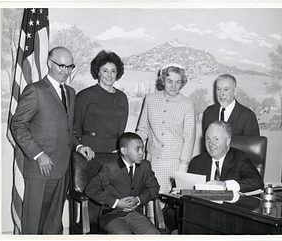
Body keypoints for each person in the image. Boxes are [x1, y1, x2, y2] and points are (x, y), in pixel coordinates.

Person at [10, 46, 92, 234]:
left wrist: (78, 145)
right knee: (34, 222)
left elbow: (67, 129)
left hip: (63, 169)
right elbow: (18, 125)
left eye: (69, 66)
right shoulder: (35, 90)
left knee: (54, 224)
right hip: (41, 169)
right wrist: (39, 155)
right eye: (61, 66)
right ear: (49, 63)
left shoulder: (70, 92)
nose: (65, 71)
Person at [136, 63, 196, 195]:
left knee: (168, 204)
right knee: (150, 201)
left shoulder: (187, 104)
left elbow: (189, 138)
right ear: (162, 80)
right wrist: (128, 145)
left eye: (177, 82)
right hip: (152, 161)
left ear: (182, 83)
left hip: (175, 163)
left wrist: (183, 167)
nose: (173, 86)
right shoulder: (150, 99)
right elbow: (143, 130)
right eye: (169, 81)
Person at [84, 132, 160, 234]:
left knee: (154, 235)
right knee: (124, 236)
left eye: (142, 148)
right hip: (111, 215)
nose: (142, 153)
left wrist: (138, 199)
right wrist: (117, 202)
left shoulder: (145, 166)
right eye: (137, 149)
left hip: (135, 214)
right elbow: (90, 190)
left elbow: (154, 188)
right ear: (124, 151)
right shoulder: (111, 168)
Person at [73, 49, 128, 169]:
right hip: (89, 152)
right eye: (105, 71)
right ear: (98, 72)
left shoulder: (122, 97)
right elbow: (74, 127)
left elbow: (121, 131)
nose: (109, 75)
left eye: (113, 71)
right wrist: (80, 146)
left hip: (114, 153)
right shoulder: (85, 95)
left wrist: (120, 149)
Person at [188, 121, 264, 193]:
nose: (211, 144)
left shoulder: (240, 159)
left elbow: (257, 181)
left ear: (228, 141)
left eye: (216, 139)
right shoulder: (196, 162)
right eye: (208, 139)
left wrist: (225, 185)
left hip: (230, 205)